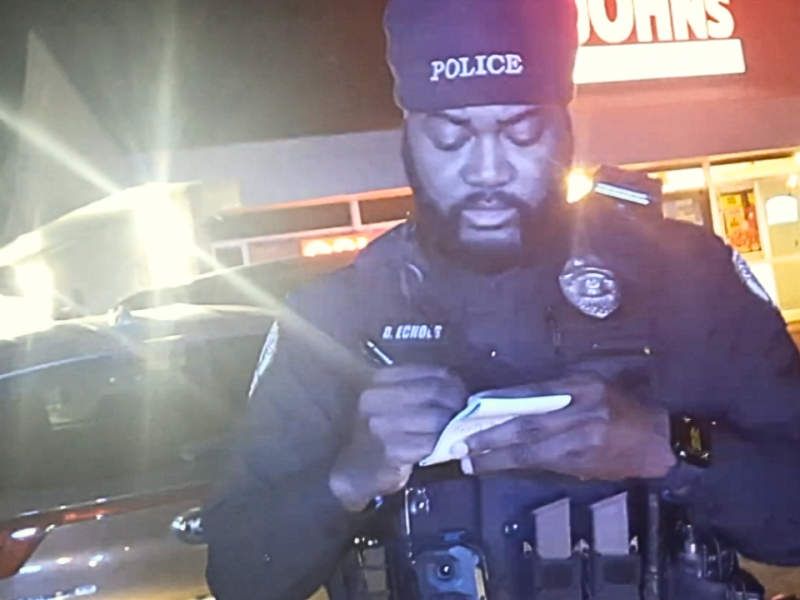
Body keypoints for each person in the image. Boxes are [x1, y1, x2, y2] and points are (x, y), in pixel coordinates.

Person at [203, 0, 800, 599]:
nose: (486, 170)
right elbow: (238, 577)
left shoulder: (689, 279)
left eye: (521, 131)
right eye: (450, 136)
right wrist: (352, 476)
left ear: (566, 132)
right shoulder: (333, 318)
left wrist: (668, 445)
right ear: (407, 139)